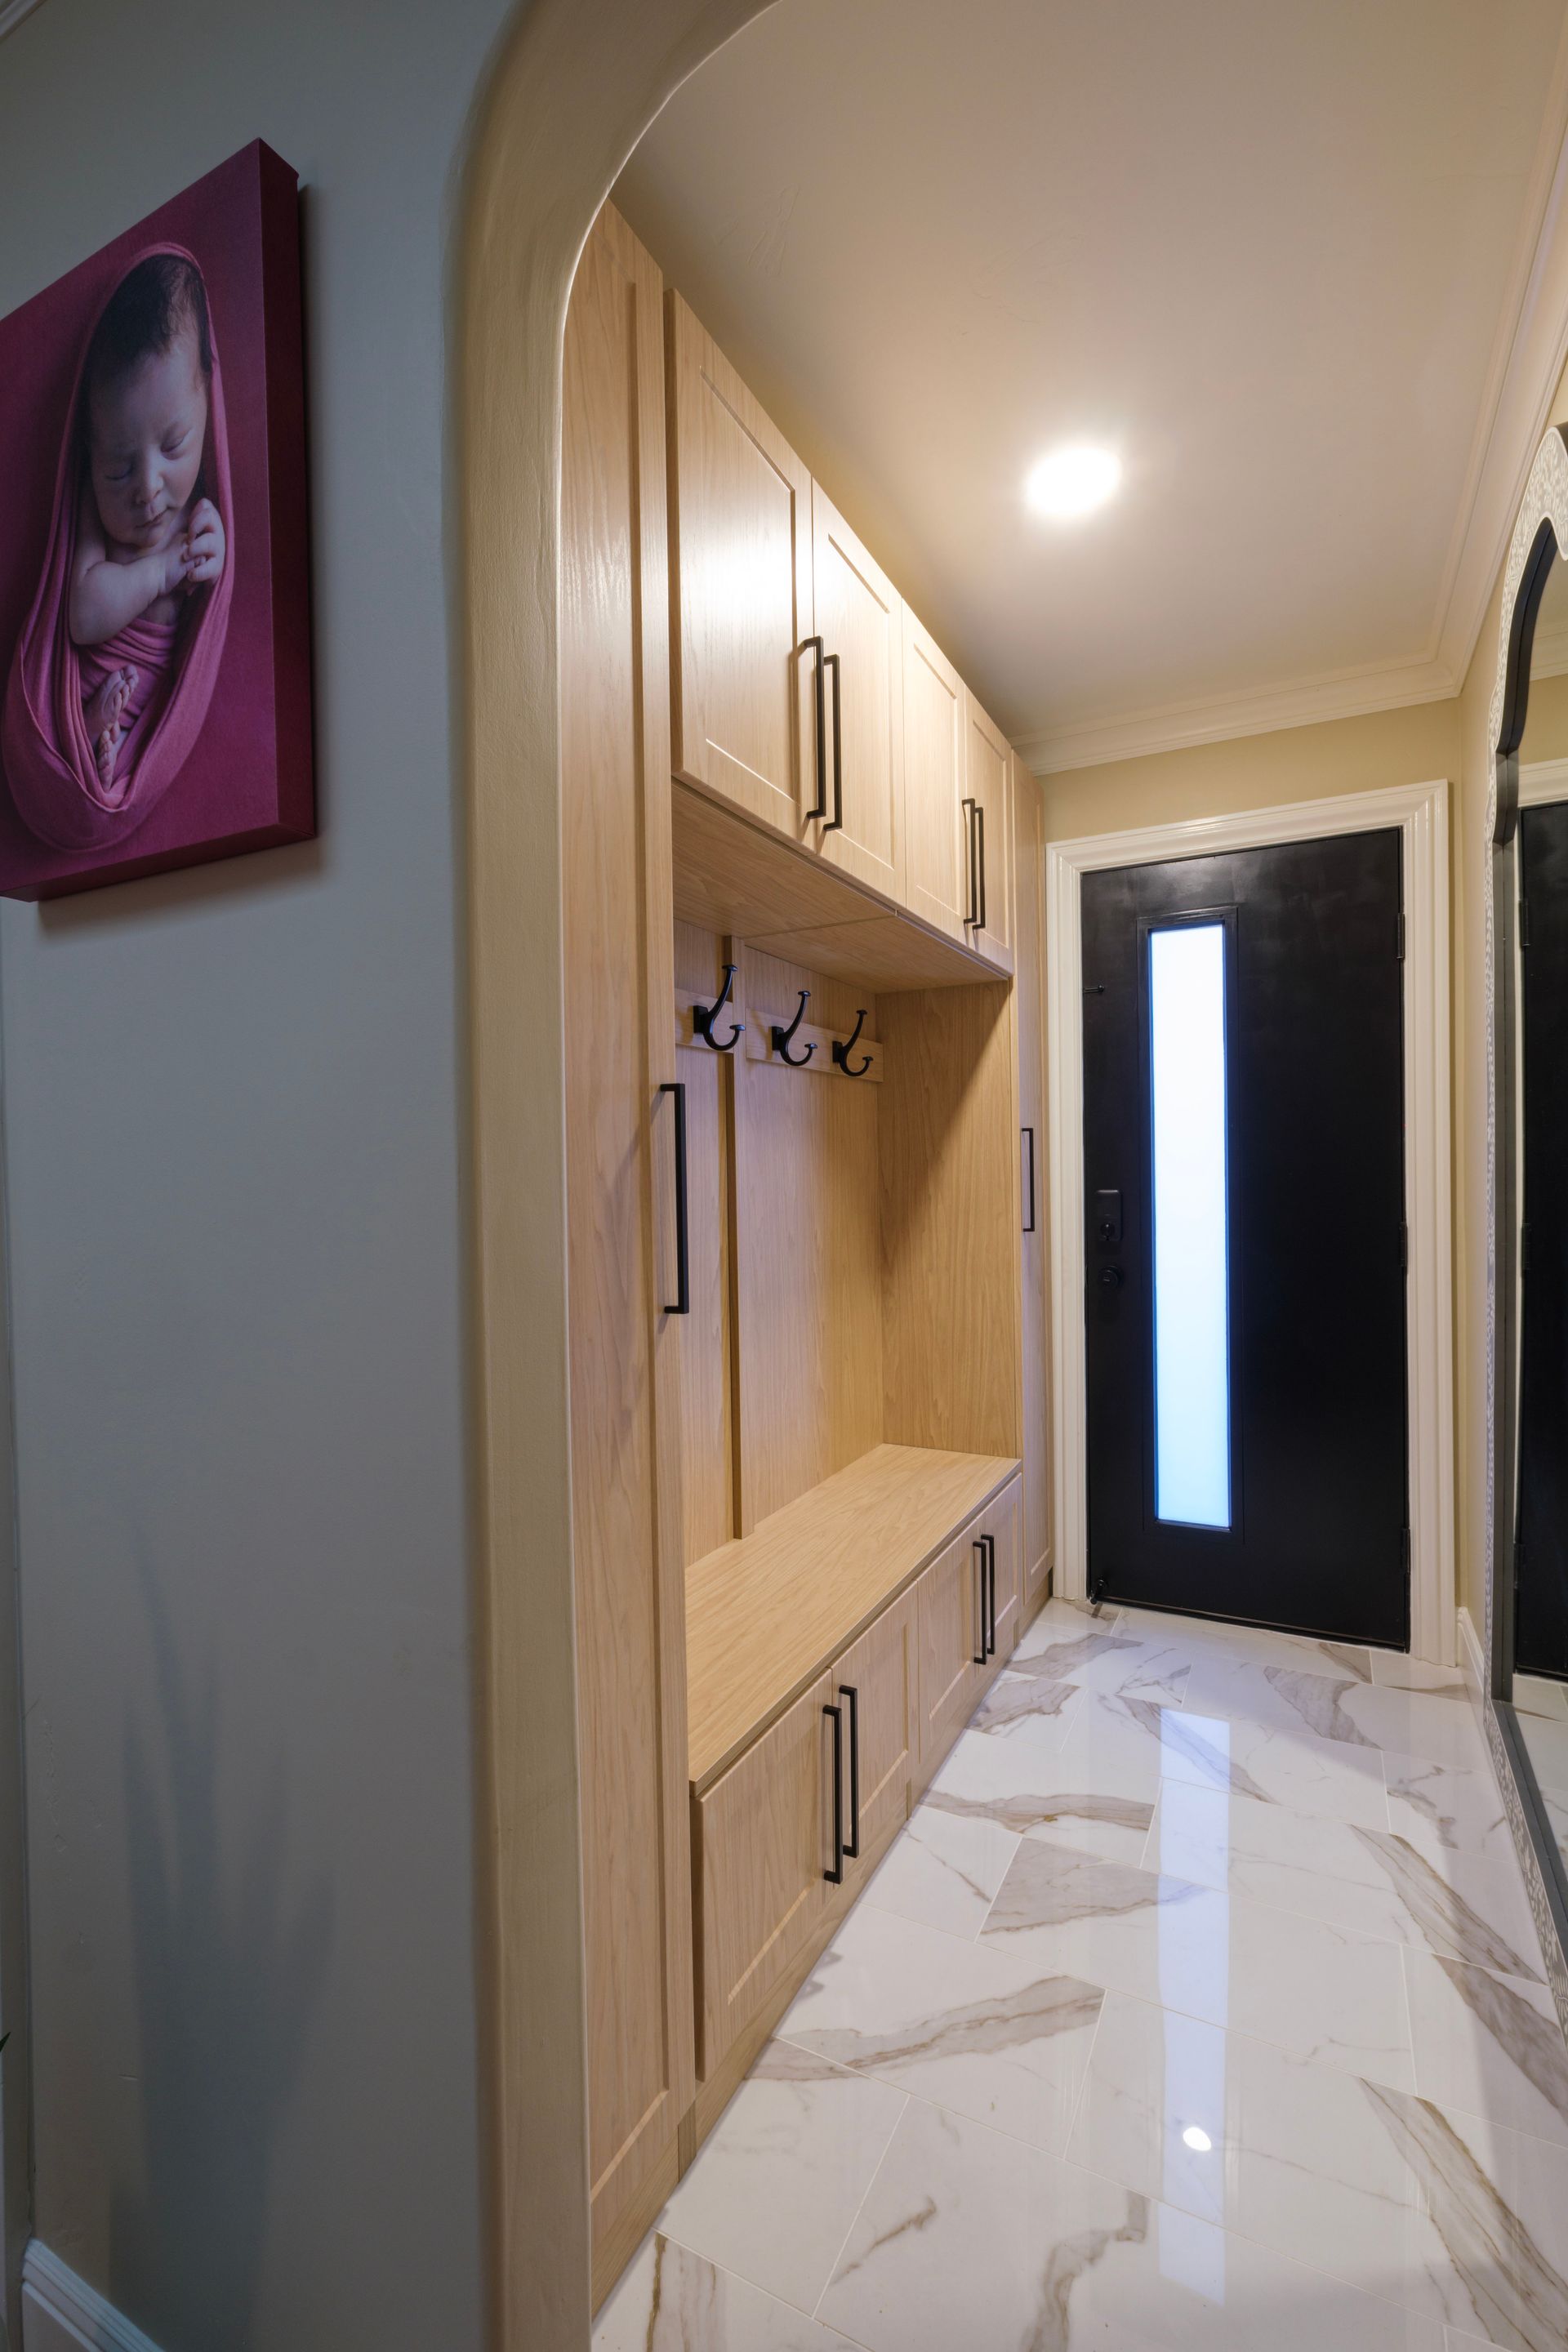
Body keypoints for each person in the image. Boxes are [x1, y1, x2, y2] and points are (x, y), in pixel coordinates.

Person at [67, 254, 226, 791]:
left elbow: (212, 600)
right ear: (93, 459)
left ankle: (105, 743)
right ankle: (85, 731)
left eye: (173, 445)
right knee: (87, 713)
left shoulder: (200, 501)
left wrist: (213, 551)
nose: (148, 487)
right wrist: (161, 572)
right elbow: (84, 617)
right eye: (118, 468)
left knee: (143, 744)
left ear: (209, 394)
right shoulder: (92, 505)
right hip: (88, 680)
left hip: (152, 694)